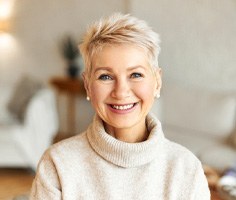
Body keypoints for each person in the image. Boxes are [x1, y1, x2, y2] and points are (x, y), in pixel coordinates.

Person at [30, 13, 210, 199]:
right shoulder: (57, 164)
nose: (121, 92)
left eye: (136, 75)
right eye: (105, 76)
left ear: (157, 81)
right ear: (87, 85)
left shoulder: (187, 169)